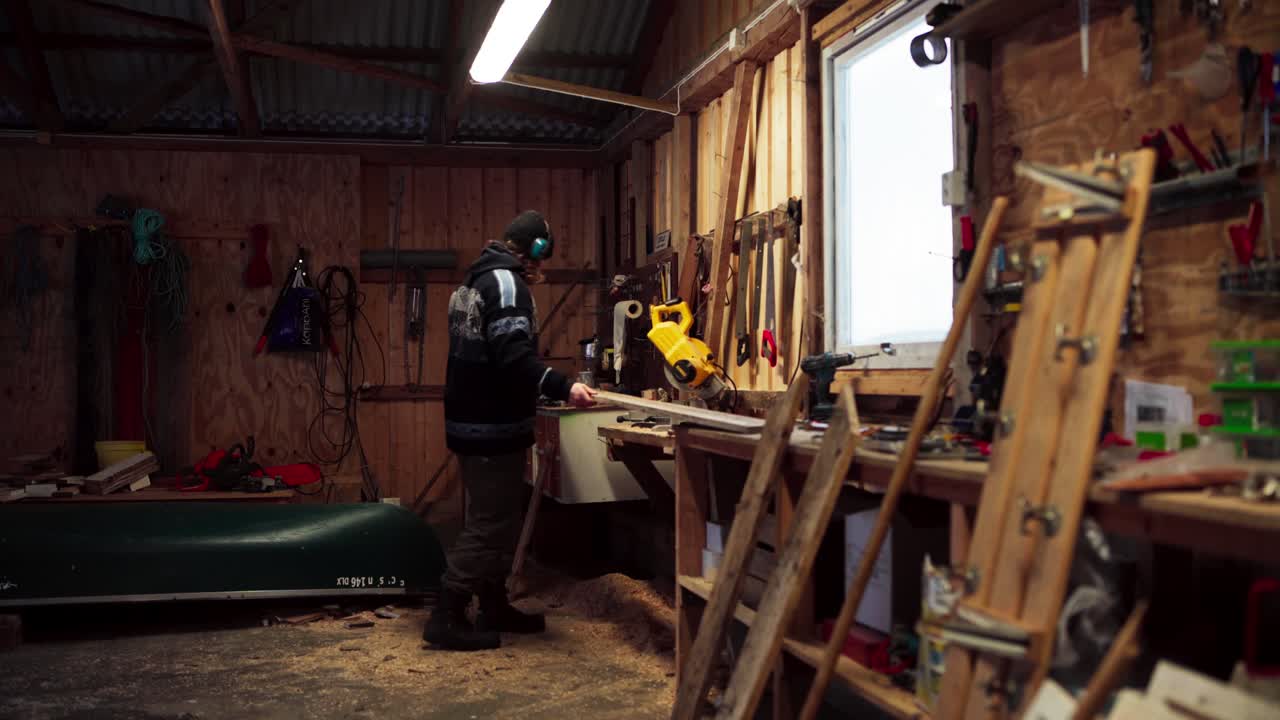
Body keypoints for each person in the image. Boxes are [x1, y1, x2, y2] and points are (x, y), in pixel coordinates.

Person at [426, 210, 596, 651]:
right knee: (488, 524)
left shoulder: (474, 280)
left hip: (480, 423)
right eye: (544, 253)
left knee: (501, 521)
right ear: (535, 251)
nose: (545, 264)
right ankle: (446, 614)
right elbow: (513, 358)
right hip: (489, 427)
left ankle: (493, 604)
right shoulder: (504, 284)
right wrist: (566, 387)